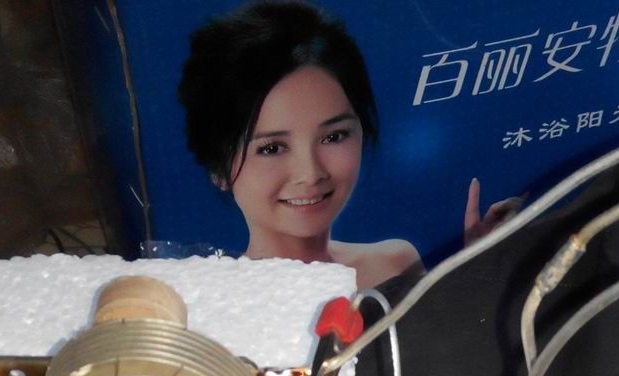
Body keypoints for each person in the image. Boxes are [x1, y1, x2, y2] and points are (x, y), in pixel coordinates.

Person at [178, 2, 431, 290]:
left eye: (333, 137)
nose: (310, 174)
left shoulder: (393, 266)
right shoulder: (213, 299)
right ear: (217, 167)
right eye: (272, 148)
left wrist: (469, 277)